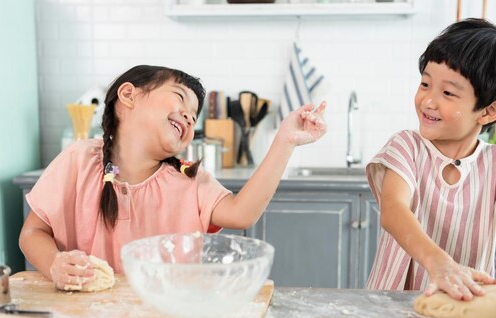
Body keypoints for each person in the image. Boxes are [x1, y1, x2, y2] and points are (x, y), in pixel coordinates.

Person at [20, 64, 327, 290]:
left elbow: (242, 213)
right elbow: (32, 233)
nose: (190, 117)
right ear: (128, 95)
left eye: (195, 116)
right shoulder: (79, 160)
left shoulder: (190, 180)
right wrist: (54, 265)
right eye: (180, 98)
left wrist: (285, 140)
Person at [365, 18, 496, 301]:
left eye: (447, 92)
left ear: (488, 112)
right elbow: (394, 211)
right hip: (391, 306)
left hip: (464, 305)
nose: (428, 100)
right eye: (425, 83)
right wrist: (439, 263)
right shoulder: (406, 147)